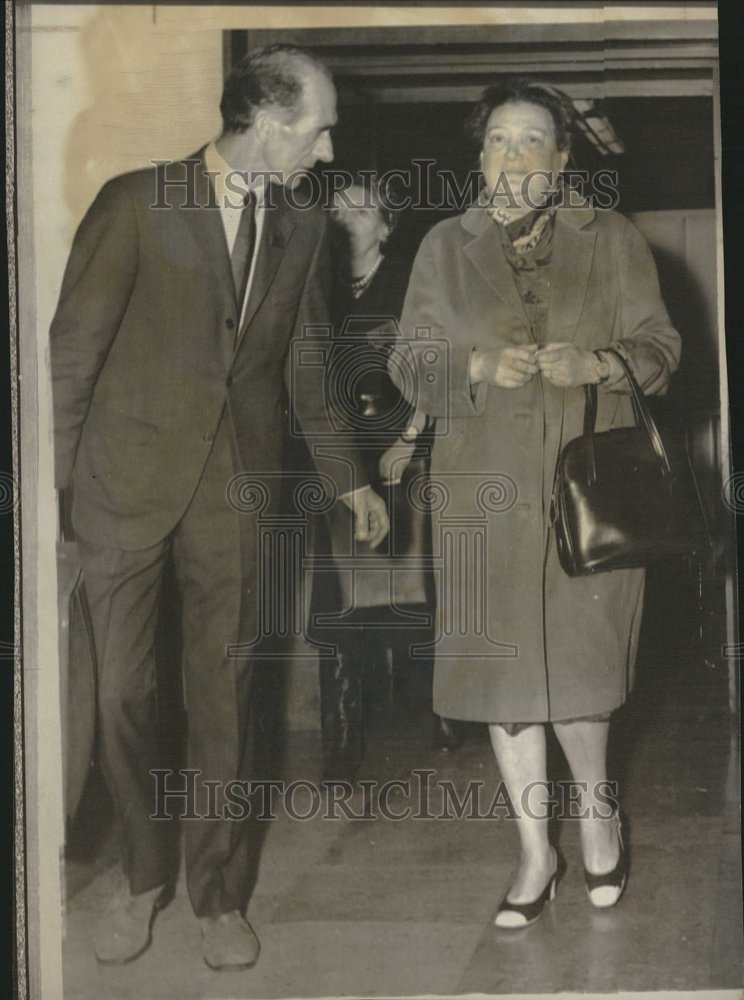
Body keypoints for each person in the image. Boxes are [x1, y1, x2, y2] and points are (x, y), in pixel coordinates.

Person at [51, 44, 388, 969]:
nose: (326, 152)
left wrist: (350, 477)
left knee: (228, 699)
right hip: (120, 491)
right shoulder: (136, 202)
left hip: (237, 494)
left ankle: (217, 896)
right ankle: (141, 874)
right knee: (120, 695)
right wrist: (50, 505)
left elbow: (311, 366)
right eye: (317, 131)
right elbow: (70, 358)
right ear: (271, 124)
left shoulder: (306, 226)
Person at [389, 78, 681, 928]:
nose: (514, 157)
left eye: (531, 142)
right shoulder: (444, 245)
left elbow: (662, 346)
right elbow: (410, 360)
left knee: (583, 672)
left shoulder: (614, 238)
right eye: (499, 141)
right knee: (500, 677)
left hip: (589, 490)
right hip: (482, 490)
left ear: (560, 161)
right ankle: (532, 852)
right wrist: (474, 369)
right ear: (479, 159)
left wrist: (598, 364)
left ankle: (597, 816)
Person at [312, 176, 460, 782]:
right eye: (337, 208)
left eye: (362, 210)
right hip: (339, 459)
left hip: (402, 449)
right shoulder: (314, 284)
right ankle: (341, 737)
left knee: (416, 585)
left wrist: (412, 440)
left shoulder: (406, 283)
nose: (347, 218)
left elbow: (432, 363)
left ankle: (445, 709)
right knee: (337, 597)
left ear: (386, 225)